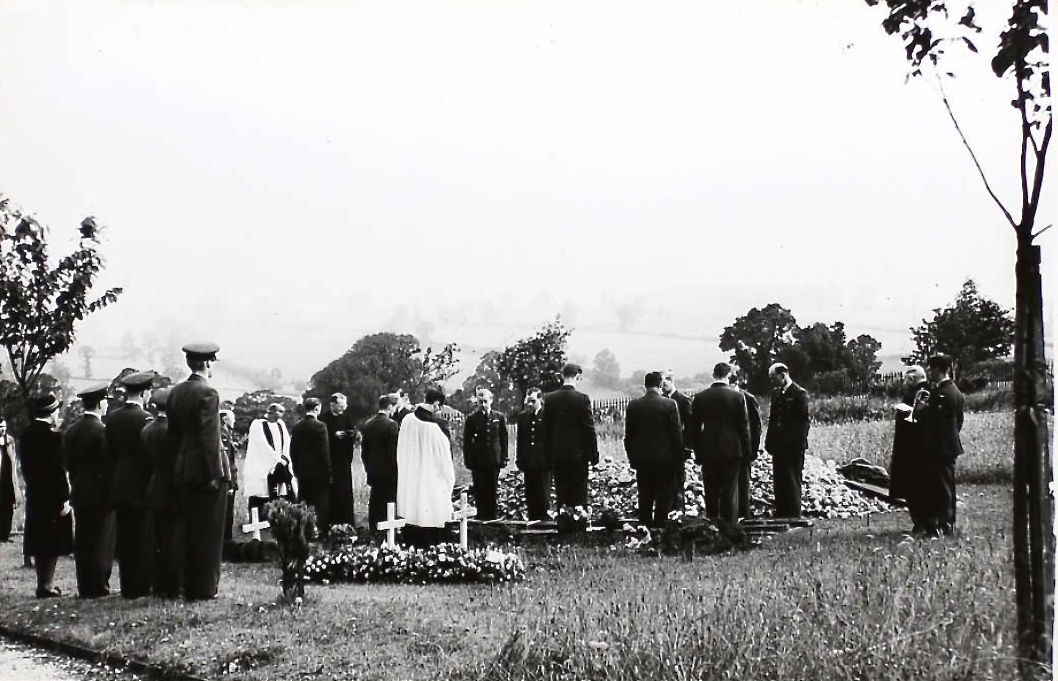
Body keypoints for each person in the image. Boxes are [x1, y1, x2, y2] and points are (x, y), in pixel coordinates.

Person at [168, 342, 231, 601]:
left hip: (183, 468)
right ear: (208, 363)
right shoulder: (208, 393)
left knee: (188, 530)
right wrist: (213, 475)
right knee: (209, 533)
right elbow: (209, 440)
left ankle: (186, 583)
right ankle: (204, 587)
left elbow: (173, 437)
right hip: (204, 472)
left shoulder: (176, 393)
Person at [64, 383, 116, 599]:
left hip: (79, 489)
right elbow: (107, 463)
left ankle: (84, 585)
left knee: (84, 539)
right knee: (101, 540)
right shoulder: (102, 431)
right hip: (100, 491)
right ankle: (99, 585)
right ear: (101, 402)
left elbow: (69, 463)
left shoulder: (71, 430)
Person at [107, 371, 156, 598]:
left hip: (118, 480)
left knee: (125, 535)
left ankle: (127, 585)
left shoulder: (113, 417)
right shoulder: (146, 418)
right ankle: (140, 585)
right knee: (142, 536)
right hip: (141, 482)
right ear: (145, 392)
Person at [20, 394, 73, 598]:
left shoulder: (26, 435)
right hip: (51, 496)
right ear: (51, 413)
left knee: (39, 541)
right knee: (50, 542)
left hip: (35, 494)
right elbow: (57, 472)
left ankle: (43, 584)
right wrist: (63, 498)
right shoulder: (53, 437)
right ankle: (47, 586)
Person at [688, 363, 751, 524]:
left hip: (708, 448)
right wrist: (746, 451)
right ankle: (730, 525)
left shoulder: (700, 397)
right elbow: (743, 427)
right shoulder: (737, 397)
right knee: (730, 490)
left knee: (711, 490)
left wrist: (697, 451)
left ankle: (712, 523)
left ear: (713, 375)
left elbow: (694, 427)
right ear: (728, 375)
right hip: (732, 448)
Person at [395, 386, 455, 547]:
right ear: (436, 404)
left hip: (410, 484)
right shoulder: (437, 427)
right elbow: (445, 464)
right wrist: (449, 484)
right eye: (439, 408)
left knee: (413, 527)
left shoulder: (406, 420)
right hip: (431, 487)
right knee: (431, 534)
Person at [624, 372, 684, 527]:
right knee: (664, 497)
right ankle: (660, 528)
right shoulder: (670, 405)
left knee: (644, 496)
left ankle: (645, 528)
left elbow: (628, 436)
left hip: (642, 460)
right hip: (665, 460)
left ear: (645, 385)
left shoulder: (634, 405)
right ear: (659, 385)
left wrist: (633, 459)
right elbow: (676, 436)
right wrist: (679, 461)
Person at [915, 354, 964, 537]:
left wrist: (921, 411)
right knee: (946, 484)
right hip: (948, 445)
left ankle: (944, 524)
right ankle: (946, 522)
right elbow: (959, 420)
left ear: (938, 369)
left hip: (940, 447)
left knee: (941, 486)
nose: (929, 372)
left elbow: (935, 421)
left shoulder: (942, 394)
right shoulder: (955, 391)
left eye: (930, 368)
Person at [541, 364, 599, 509]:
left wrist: (547, 454)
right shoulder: (582, 399)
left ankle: (563, 524)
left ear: (562, 376)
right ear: (577, 377)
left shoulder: (550, 399)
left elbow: (545, 430)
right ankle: (578, 526)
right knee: (579, 494)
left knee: (562, 494)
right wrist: (594, 454)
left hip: (558, 455)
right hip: (578, 456)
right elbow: (589, 429)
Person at [143, 387, 181, 598]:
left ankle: (157, 584)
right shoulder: (174, 432)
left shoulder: (148, 429)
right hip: (173, 488)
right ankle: (172, 585)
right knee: (173, 538)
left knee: (157, 538)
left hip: (154, 485)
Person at [764, 363, 810, 518]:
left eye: (774, 378)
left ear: (783, 375)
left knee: (792, 479)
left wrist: (798, 444)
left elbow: (803, 422)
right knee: (780, 480)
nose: (772, 382)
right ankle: (782, 511)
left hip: (793, 447)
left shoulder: (799, 394)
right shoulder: (776, 394)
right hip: (778, 446)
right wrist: (769, 441)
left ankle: (794, 513)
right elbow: (773, 419)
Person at [890, 365, 929, 532]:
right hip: (920, 448)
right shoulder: (928, 391)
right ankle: (922, 521)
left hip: (912, 448)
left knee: (915, 488)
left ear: (912, 379)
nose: (905, 383)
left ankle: (920, 522)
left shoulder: (918, 394)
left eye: (907, 380)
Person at [462, 389, 508, 521]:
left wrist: (504, 457)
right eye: (480, 402)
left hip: (494, 459)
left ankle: (492, 515)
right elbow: (467, 442)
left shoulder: (499, 417)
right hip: (478, 460)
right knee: (479, 488)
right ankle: (481, 515)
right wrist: (468, 460)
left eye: (485, 402)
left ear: (491, 401)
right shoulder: (472, 419)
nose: (482, 405)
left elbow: (503, 439)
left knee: (492, 487)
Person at [244, 403, 294, 522]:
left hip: (279, 466)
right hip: (262, 465)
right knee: (260, 493)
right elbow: (262, 445)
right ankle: (258, 520)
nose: (280, 416)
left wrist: (284, 458)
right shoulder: (258, 424)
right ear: (271, 412)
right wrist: (276, 459)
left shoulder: (280, 425)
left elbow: (286, 442)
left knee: (278, 492)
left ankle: (274, 518)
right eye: (279, 412)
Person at [290, 397, 332, 538]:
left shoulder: (297, 426)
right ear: (316, 408)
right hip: (318, 472)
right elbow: (323, 452)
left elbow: (293, 451)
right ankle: (318, 530)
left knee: (304, 502)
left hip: (302, 471)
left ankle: (304, 530)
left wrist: (296, 469)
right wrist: (328, 472)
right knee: (320, 503)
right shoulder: (320, 426)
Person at [360, 394, 400, 530]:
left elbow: (364, 451)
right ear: (389, 407)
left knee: (375, 500)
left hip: (373, 469)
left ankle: (373, 527)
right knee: (389, 501)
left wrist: (368, 467)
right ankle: (387, 530)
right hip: (389, 471)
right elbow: (394, 452)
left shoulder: (368, 424)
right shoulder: (392, 425)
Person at [319, 393, 357, 527]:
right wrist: (334, 435)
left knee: (344, 492)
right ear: (332, 404)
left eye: (344, 406)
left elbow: (353, 432)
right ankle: (331, 522)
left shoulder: (346, 417)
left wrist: (347, 434)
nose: (343, 409)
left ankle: (346, 522)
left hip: (343, 460)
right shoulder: (323, 418)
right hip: (330, 460)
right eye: (340, 406)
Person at [729, 371, 762, 519]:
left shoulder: (748, 399)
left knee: (743, 483)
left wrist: (753, 449)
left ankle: (744, 513)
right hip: (729, 448)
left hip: (744, 448)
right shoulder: (727, 398)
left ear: (734, 383)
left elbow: (756, 427)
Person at [515, 388, 551, 521]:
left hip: (543, 462)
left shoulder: (548, 415)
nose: (530, 404)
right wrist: (519, 459)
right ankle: (533, 520)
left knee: (543, 493)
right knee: (530, 493)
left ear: (540, 400)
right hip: (528, 461)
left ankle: (543, 521)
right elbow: (520, 440)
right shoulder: (523, 417)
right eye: (528, 401)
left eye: (533, 401)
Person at [660, 370, 693, 509]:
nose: (665, 382)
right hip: (662, 449)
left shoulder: (683, 400)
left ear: (673, 380)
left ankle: (678, 509)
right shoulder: (659, 401)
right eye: (663, 379)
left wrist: (687, 446)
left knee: (677, 481)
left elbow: (690, 425)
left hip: (678, 448)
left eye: (668, 379)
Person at [0, 418, 22, 542]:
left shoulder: (10, 441)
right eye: (0, 427)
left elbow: (13, 460)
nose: (3, 429)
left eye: (4, 426)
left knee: (8, 507)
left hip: (7, 478)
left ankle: (5, 533)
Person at [219, 409, 238, 542]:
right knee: (227, 510)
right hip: (228, 477)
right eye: (233, 418)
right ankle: (226, 539)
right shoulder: (222, 434)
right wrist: (230, 482)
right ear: (225, 419)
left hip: (231, 475)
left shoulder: (226, 432)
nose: (234, 421)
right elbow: (225, 460)